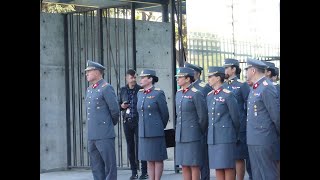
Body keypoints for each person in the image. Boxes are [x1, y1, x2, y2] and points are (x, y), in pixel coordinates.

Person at [84, 60, 120, 180]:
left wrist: (108, 125)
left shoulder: (106, 88)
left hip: (104, 133)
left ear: (97, 72)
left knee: (109, 166)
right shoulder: (89, 89)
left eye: (89, 71)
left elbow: (115, 111)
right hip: (92, 134)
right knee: (96, 166)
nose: (86, 74)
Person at [245, 58, 280, 180]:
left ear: (253, 70)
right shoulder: (255, 87)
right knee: (257, 174)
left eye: (247, 69)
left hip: (264, 139)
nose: (246, 72)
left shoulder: (266, 87)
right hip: (254, 138)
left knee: (268, 173)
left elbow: (276, 116)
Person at [206, 66, 240, 180]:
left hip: (226, 137)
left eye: (210, 76)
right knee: (218, 167)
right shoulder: (209, 95)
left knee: (228, 167)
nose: (208, 79)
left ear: (217, 78)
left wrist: (233, 134)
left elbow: (235, 117)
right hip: (213, 137)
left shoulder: (228, 94)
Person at [175, 67, 208, 180]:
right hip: (181, 135)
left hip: (193, 135)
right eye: (177, 77)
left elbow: (203, 116)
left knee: (194, 165)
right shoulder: (178, 93)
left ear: (188, 79)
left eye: (180, 77)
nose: (177, 80)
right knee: (184, 164)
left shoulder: (196, 94)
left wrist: (198, 131)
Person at [137, 69, 170, 180]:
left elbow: (165, 114)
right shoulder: (140, 93)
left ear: (150, 79)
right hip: (144, 132)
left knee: (157, 158)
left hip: (155, 132)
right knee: (149, 159)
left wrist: (158, 127)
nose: (140, 80)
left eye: (143, 77)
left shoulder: (158, 93)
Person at [223, 59, 252, 180]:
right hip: (225, 126)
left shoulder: (242, 85)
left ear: (233, 69)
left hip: (239, 126)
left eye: (226, 67)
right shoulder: (223, 85)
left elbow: (248, 105)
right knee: (228, 156)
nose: (224, 70)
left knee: (239, 156)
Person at [184, 62, 211, 180]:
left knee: (203, 157)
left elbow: (206, 109)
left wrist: (202, 127)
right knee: (191, 158)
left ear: (197, 74)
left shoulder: (204, 87)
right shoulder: (185, 88)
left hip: (201, 126)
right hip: (189, 128)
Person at [119, 69, 148, 179]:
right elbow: (118, 105)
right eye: (131, 77)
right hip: (127, 121)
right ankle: (134, 171)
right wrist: (122, 106)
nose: (134, 79)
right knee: (130, 147)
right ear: (127, 78)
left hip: (138, 121)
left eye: (135, 77)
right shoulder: (123, 90)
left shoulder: (140, 90)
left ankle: (144, 171)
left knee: (140, 146)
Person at [263, 61, 280, 171]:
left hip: (274, 126)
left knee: (276, 159)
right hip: (268, 128)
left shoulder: (273, 87)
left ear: (268, 72)